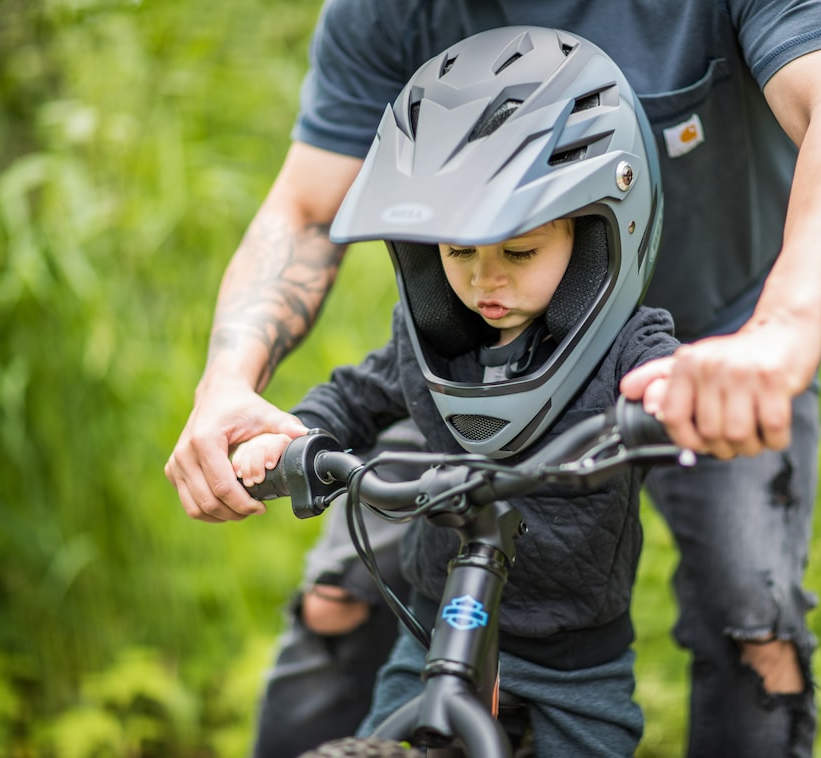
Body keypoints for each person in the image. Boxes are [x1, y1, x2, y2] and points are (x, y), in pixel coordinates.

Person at [163, 1, 821, 756]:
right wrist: (232, 386)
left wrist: (778, 335)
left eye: (515, 252)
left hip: (721, 347)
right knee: (336, 597)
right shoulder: (386, 16)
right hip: (471, 362)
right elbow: (308, 207)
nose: (485, 271)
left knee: (755, 624)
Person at [233, 28, 680, 755]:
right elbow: (356, 394)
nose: (484, 281)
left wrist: (674, 397)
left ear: (594, 233)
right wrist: (289, 433)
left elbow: (667, 379)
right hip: (430, 628)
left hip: (573, 663)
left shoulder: (628, 343)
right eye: (457, 253)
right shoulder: (433, 339)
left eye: (520, 251)